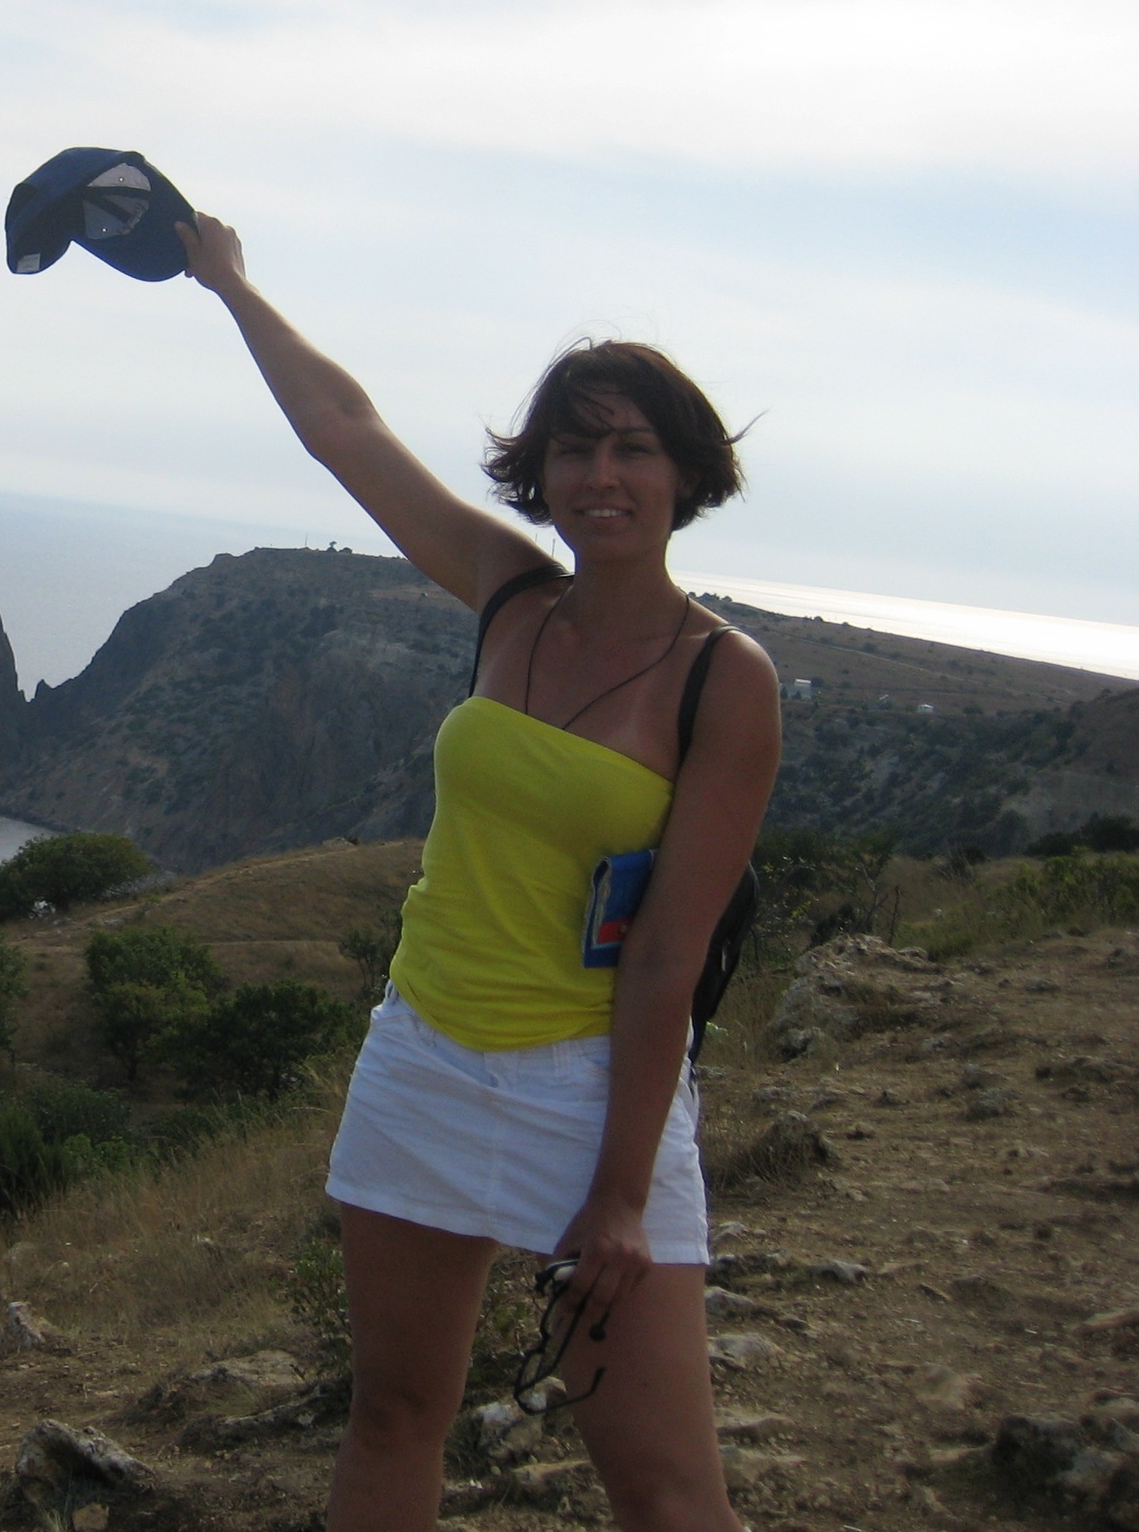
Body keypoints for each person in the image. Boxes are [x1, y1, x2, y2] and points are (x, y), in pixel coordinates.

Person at [177, 212, 780, 1532]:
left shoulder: (725, 681)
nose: (600, 474)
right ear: (540, 472)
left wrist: (621, 1193)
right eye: (575, 447)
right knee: (395, 1416)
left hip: (591, 1089)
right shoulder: (511, 596)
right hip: (427, 1059)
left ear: (685, 473)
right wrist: (230, 283)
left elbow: (667, 957)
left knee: (668, 1489)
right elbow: (347, 431)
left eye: (632, 447)